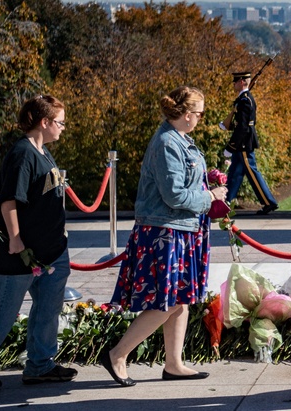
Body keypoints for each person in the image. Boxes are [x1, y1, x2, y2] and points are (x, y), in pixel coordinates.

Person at [102, 86, 228, 387]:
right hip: (164, 233)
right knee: (166, 302)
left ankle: (174, 364)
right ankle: (117, 355)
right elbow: (173, 195)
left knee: (180, 301)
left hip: (178, 230)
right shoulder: (166, 143)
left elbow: (181, 184)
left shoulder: (178, 139)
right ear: (186, 115)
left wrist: (205, 181)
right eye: (198, 114)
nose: (200, 118)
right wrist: (209, 196)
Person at [0, 95, 77, 393]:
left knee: (49, 307)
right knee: (2, 311)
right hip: (21, 253)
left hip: (51, 252)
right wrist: (16, 239)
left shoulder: (43, 151)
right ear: (44, 122)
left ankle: (40, 364)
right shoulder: (23, 154)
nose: (63, 127)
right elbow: (9, 201)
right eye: (60, 122)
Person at [221, 70, 277, 214]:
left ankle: (268, 202)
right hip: (243, 141)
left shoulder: (245, 100)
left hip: (244, 142)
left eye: (235, 81)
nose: (233, 84)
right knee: (235, 173)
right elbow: (242, 123)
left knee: (252, 172)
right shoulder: (243, 99)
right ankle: (225, 203)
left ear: (241, 82)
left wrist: (230, 146)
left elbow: (243, 127)